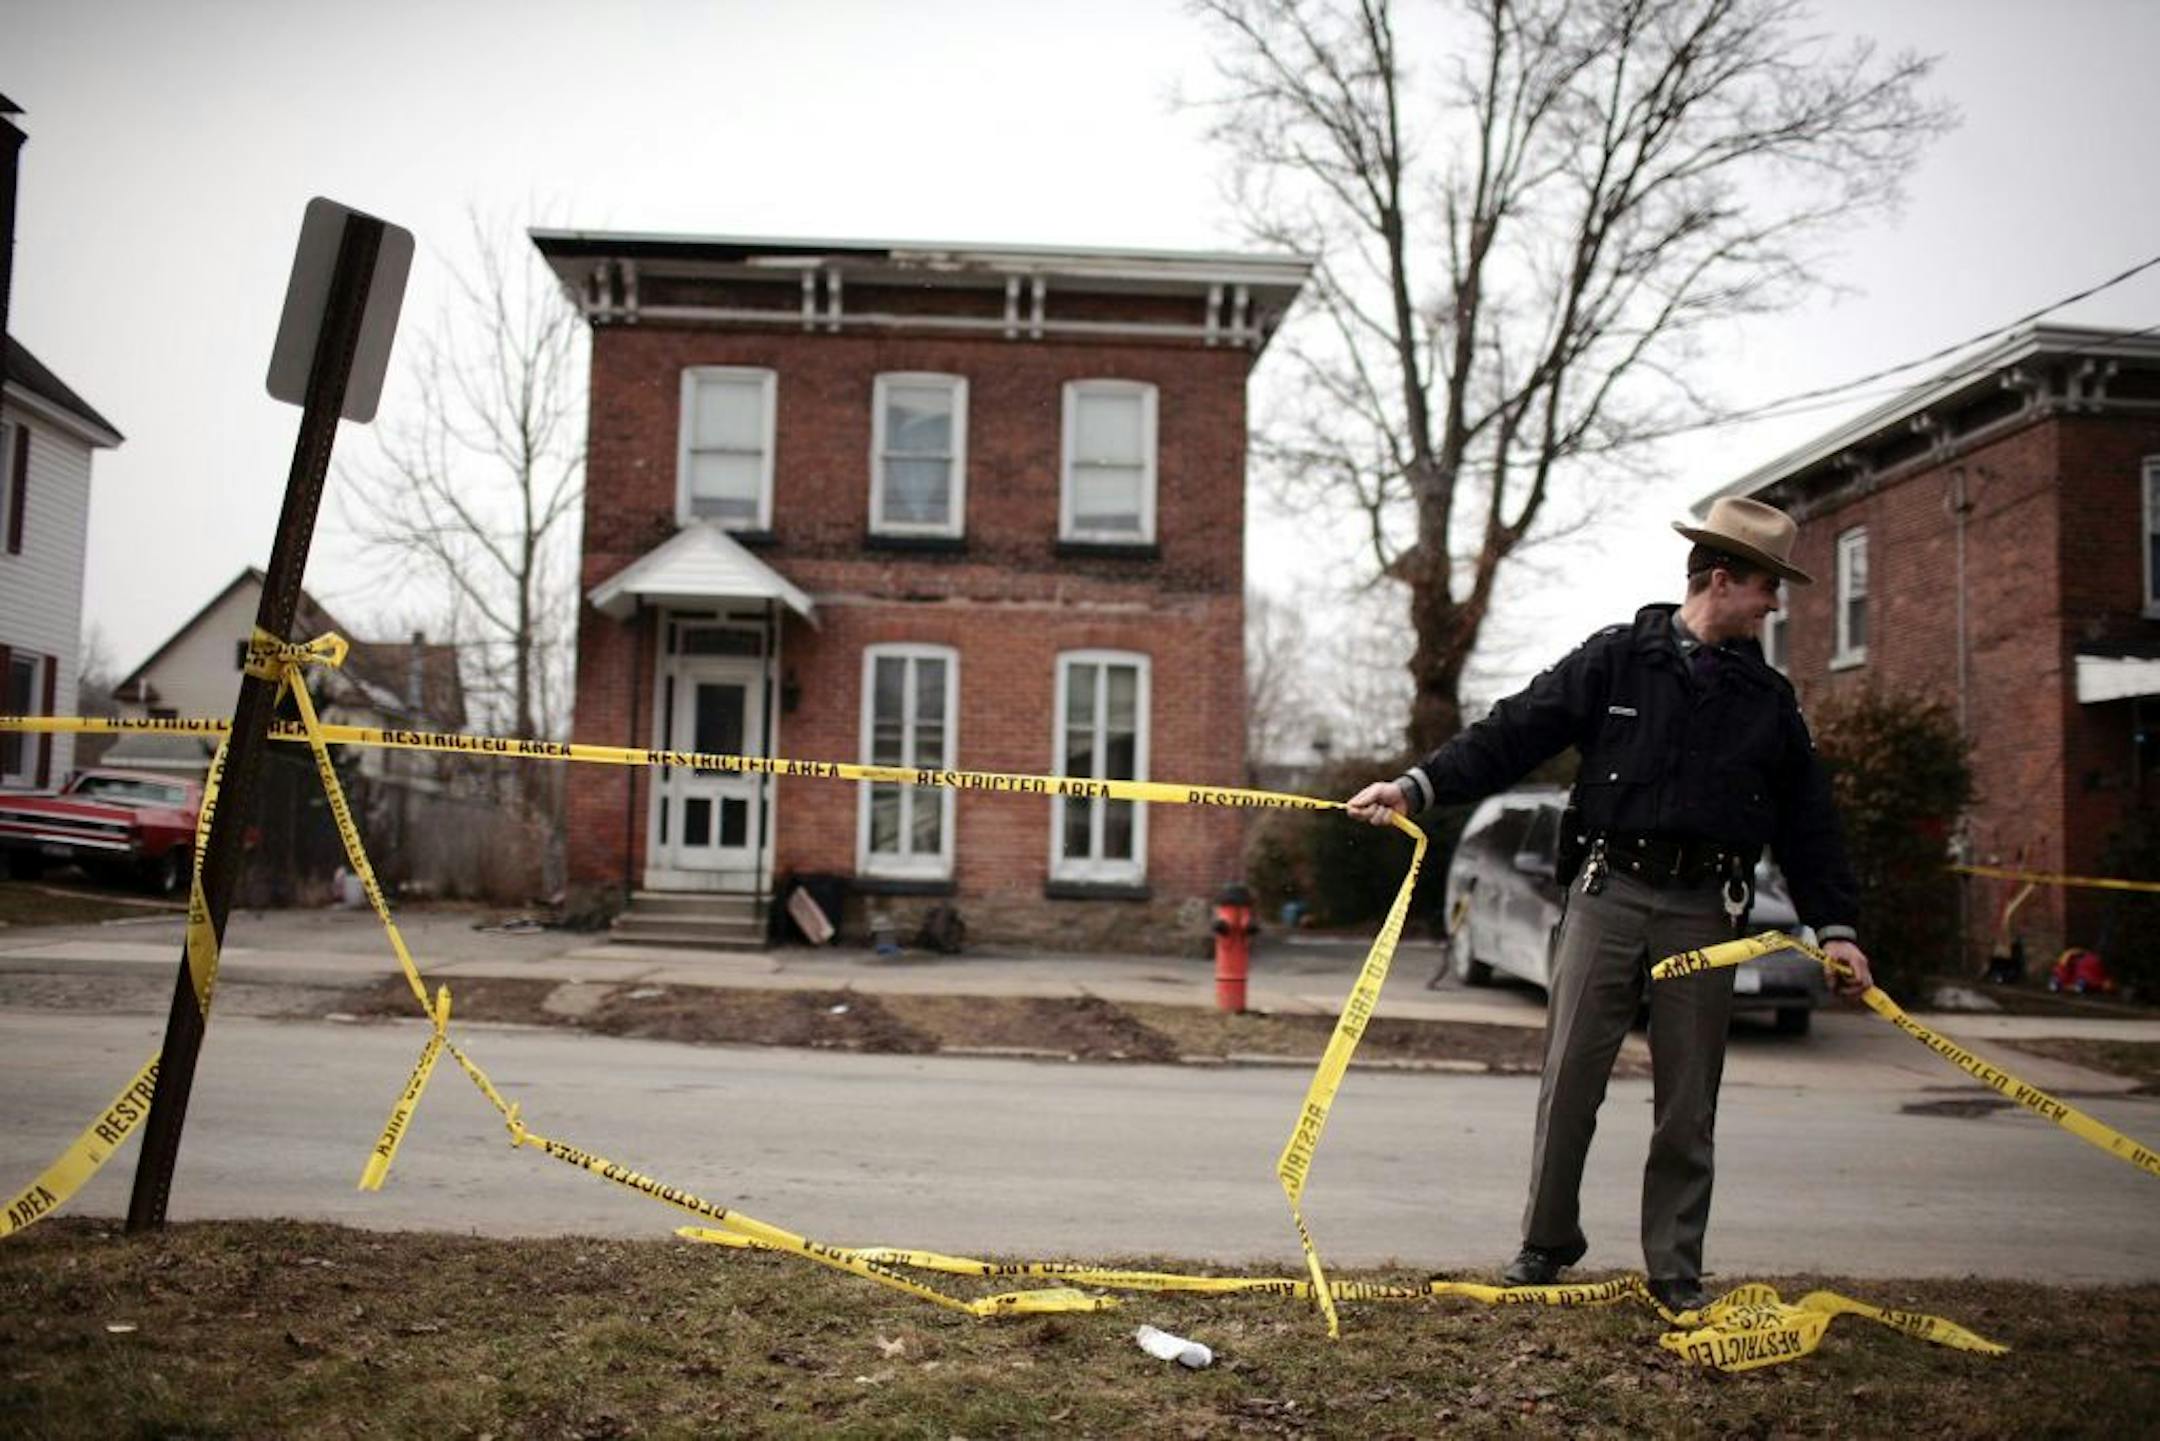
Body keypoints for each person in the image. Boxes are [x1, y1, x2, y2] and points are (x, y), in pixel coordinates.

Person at [1345, 496, 1871, 1315]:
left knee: (1690, 1095)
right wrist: (1418, 785)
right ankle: (1546, 1243)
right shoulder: (1616, 660)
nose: (1777, 603)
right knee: (1571, 1078)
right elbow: (1514, 730)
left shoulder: (1767, 698)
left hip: (1706, 908)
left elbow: (1811, 822)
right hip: (1606, 894)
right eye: (1770, 585)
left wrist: (1834, 927)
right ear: (1723, 578)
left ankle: (1675, 1269)